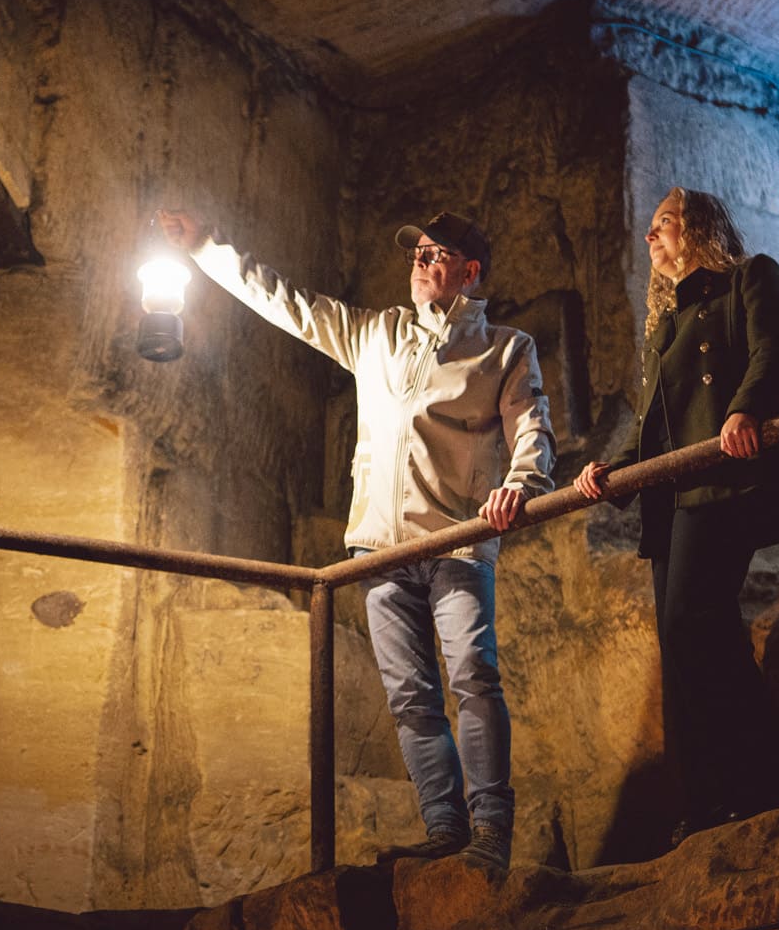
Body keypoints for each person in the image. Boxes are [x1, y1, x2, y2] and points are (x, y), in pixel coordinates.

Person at [155, 207, 555, 868]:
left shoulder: (505, 348)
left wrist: (524, 483)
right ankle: (445, 827)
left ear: (470, 272)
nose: (420, 265)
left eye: (435, 255)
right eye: (416, 254)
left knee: (474, 679)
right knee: (408, 694)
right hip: (381, 549)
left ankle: (490, 833)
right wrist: (205, 247)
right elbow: (288, 303)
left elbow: (532, 427)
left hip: (456, 541)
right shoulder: (377, 333)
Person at [575, 188, 779, 842]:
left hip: (724, 479)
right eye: (647, 229)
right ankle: (714, 799)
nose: (651, 238)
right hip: (674, 496)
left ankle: (761, 783)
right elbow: (655, 422)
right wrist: (610, 472)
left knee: (689, 621)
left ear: (699, 226)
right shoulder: (669, 322)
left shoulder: (748, 278)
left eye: (664, 224)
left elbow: (770, 352)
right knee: (689, 639)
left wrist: (746, 406)